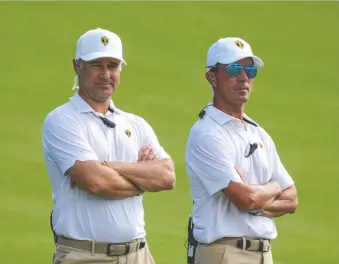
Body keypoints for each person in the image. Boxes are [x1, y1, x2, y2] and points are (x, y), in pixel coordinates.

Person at [42, 27, 176, 264]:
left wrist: (109, 166)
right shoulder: (62, 120)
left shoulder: (136, 124)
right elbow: (97, 182)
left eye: (112, 65)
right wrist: (142, 179)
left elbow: (167, 177)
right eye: (97, 65)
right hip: (85, 256)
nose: (106, 74)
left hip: (139, 255)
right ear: (77, 66)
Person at [185, 37, 298, 264]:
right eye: (235, 69)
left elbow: (292, 199)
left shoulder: (259, 133)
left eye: (250, 70)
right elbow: (246, 198)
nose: (244, 78)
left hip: (263, 254)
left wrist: (258, 202)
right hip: (225, 253)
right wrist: (275, 186)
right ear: (212, 77)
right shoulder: (207, 133)